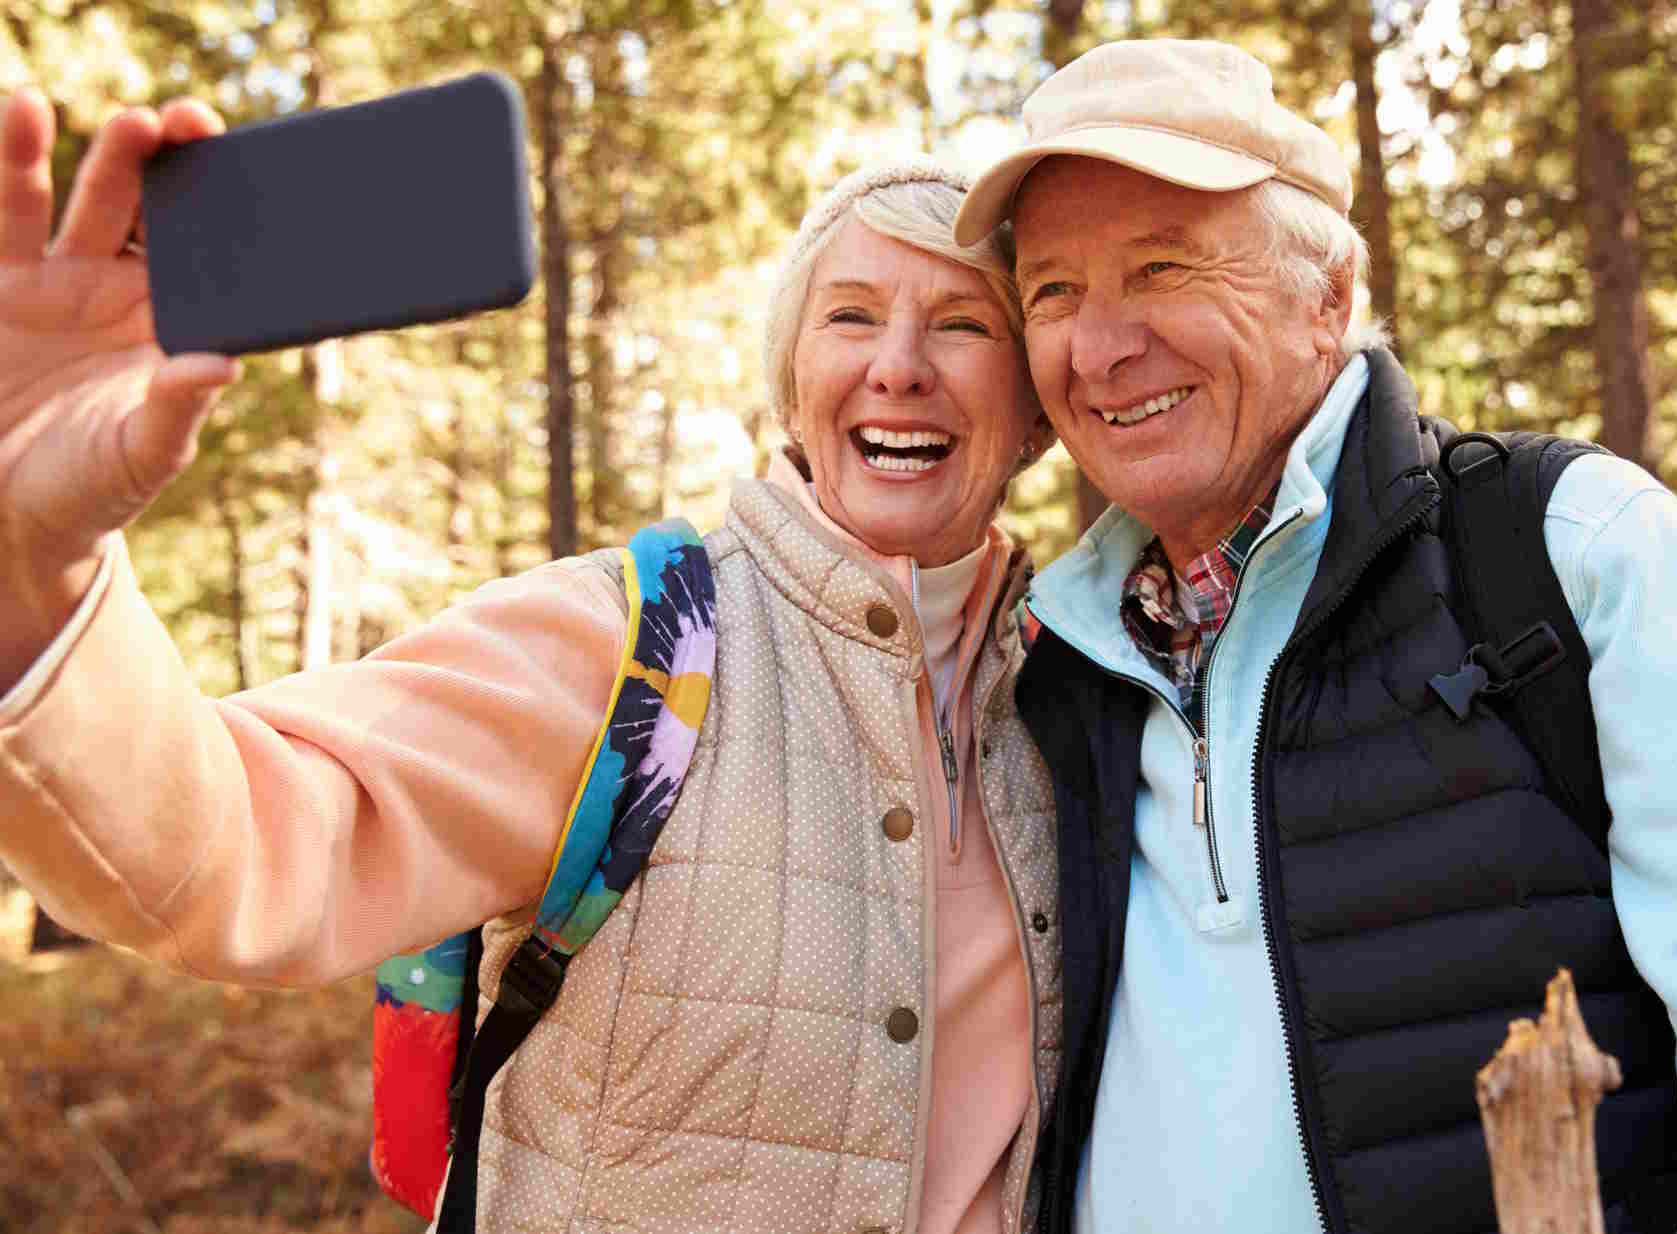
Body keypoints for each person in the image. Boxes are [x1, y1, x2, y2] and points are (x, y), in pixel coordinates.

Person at [951, 38, 1677, 1234]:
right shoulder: (1054, 670)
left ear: (1326, 298)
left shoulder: (1572, 551)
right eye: (1054, 294)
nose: (1102, 344)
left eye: (1164, 267)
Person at [0, 86, 1062, 1234]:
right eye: (850, 318)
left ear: (1039, 406)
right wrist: (36, 582)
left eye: (963, 323)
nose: (899, 365)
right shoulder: (636, 643)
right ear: (794, 395)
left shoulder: (1093, 696)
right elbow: (254, 843)